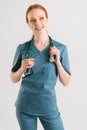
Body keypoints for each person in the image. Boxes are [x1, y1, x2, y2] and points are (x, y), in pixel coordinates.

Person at [10, 3, 71, 130]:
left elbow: (65, 82)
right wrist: (22, 68)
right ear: (28, 24)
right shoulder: (22, 49)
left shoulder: (60, 48)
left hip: (48, 108)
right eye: (32, 20)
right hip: (25, 108)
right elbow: (13, 78)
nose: (37, 23)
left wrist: (58, 62)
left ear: (47, 19)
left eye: (41, 18)